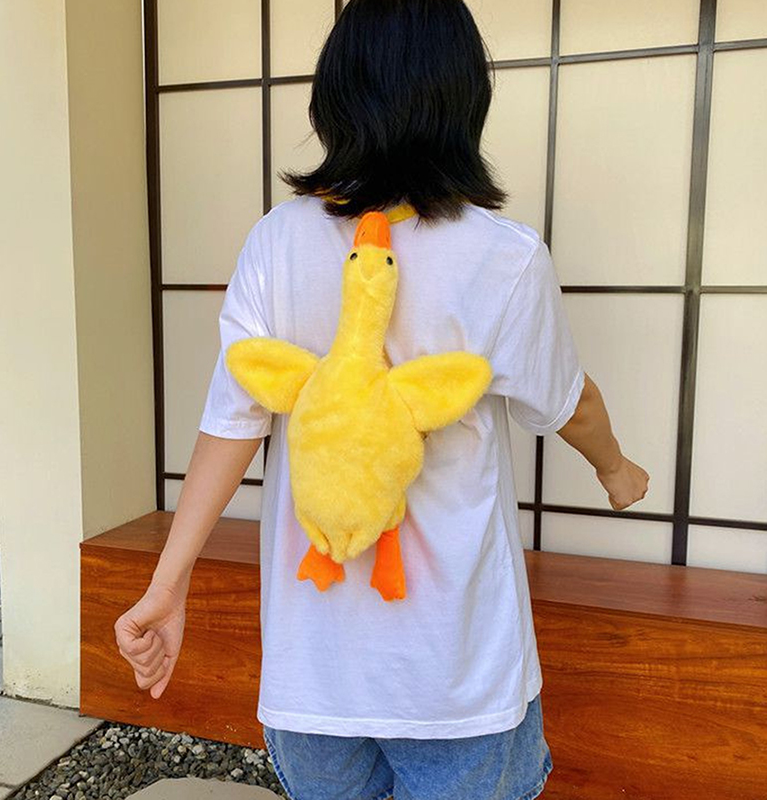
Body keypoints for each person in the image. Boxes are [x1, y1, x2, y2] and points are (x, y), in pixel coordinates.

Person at [115, 1, 649, 798]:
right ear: (461, 97)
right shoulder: (502, 256)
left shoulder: (276, 240)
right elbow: (573, 405)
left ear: (336, 93)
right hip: (455, 679)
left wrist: (169, 582)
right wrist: (616, 470)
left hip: (312, 674)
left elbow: (232, 423)